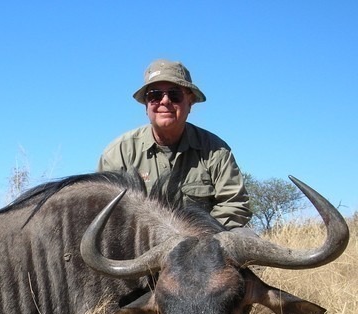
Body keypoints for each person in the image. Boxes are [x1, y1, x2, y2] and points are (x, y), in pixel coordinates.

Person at [98, 59, 251, 230]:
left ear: (190, 103)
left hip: (202, 245)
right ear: (146, 105)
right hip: (142, 250)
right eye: (155, 95)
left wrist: (199, 238)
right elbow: (105, 212)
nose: (164, 101)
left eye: (175, 95)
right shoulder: (118, 153)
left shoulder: (216, 150)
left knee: (247, 237)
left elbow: (235, 204)